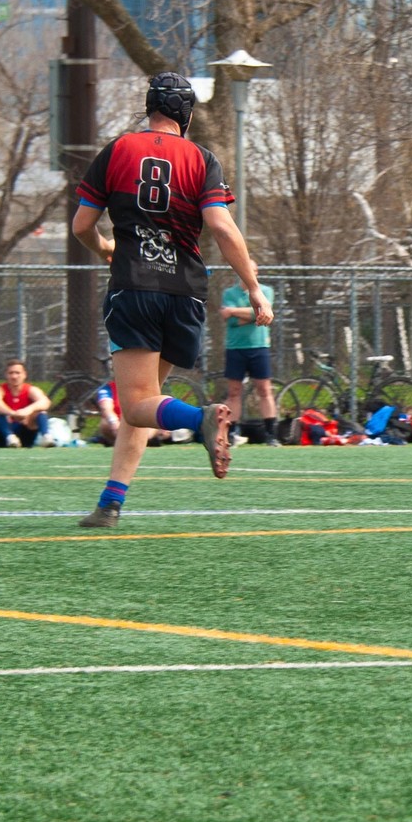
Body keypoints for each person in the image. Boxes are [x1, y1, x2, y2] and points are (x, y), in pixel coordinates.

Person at [72, 71, 269, 527]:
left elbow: (82, 225)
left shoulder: (119, 150)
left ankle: (199, 418)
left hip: (136, 288)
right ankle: (110, 502)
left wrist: (104, 248)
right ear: (187, 115)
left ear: (149, 108)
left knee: (138, 404)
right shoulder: (202, 158)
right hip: (185, 294)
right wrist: (253, 287)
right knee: (147, 399)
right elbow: (221, 228)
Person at [221, 280, 281, 446]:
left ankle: (271, 434)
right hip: (235, 348)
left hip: (259, 347)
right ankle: (231, 433)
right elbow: (231, 321)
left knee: (264, 390)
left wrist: (233, 311)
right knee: (234, 392)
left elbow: (262, 314)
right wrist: (250, 314)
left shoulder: (265, 291)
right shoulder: (229, 293)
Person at [0, 360, 51, 447]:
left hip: (25, 431)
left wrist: (27, 410)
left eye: (17, 373)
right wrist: (12, 413)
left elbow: (45, 402)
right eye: (11, 373)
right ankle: (10, 438)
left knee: (40, 412)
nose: (14, 376)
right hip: (2, 436)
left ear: (24, 375)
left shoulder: (31, 389)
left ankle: (46, 437)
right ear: (6, 375)